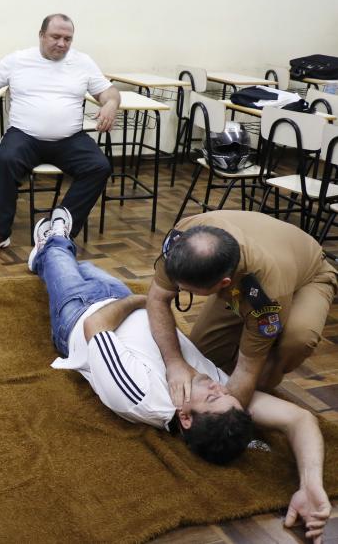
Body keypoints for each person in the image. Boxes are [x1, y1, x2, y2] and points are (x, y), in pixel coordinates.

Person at [30, 208, 330, 540]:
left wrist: (135, 300)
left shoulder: (141, 396)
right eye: (227, 394)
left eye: (216, 395)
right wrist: (311, 484)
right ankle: (67, 261)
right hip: (130, 300)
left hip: (82, 310)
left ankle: (50, 242)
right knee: (86, 268)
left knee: (56, 252)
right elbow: (301, 419)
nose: (221, 384)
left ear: (185, 417)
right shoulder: (218, 396)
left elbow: (95, 326)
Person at [147, 210, 338, 410]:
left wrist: (224, 416)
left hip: (310, 274)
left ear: (223, 284)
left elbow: (247, 369)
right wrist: (175, 363)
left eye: (187, 289)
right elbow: (158, 298)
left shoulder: (266, 297)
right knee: (203, 357)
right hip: (267, 250)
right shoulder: (182, 239)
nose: (179, 290)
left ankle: (263, 393)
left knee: (297, 340)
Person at [0, 13, 120, 255]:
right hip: (24, 136)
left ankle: (60, 228)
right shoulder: (19, 59)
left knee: (99, 166)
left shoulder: (82, 62)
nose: (61, 43)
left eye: (67, 39)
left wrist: (111, 104)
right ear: (41, 36)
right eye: (55, 37)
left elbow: (109, 92)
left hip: (69, 138)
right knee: (5, 161)